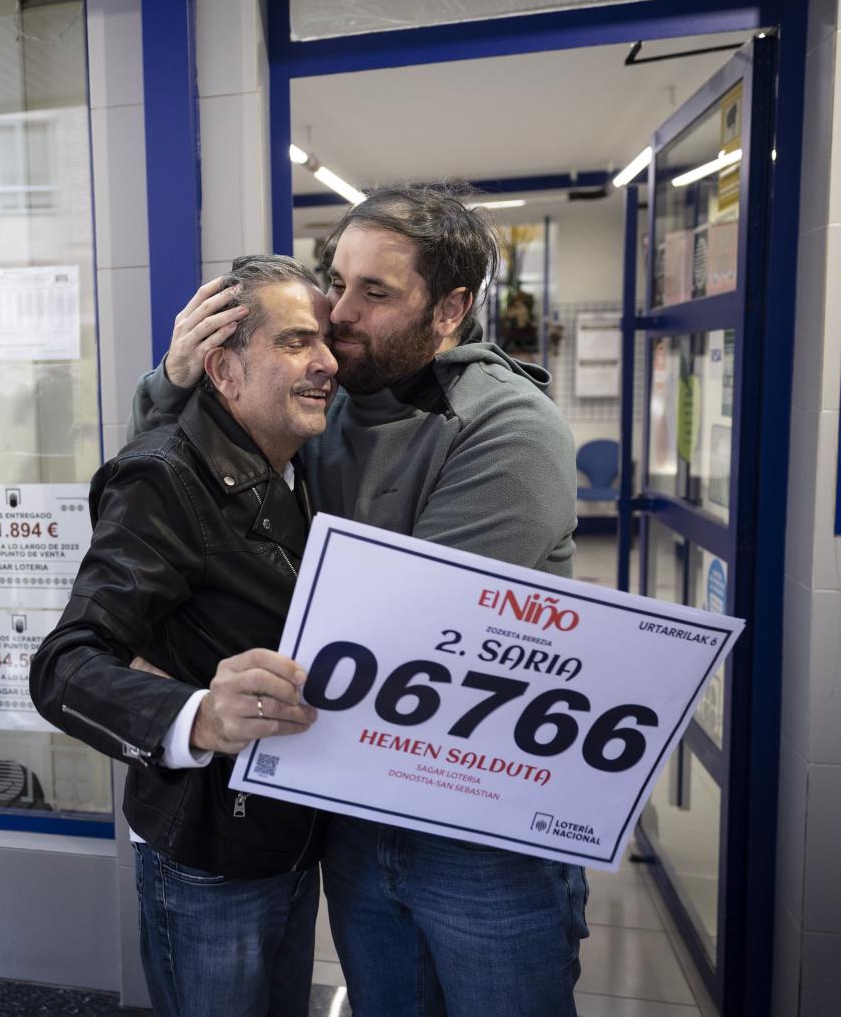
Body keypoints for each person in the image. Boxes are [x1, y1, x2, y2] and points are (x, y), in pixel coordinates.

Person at [132, 185, 585, 1016]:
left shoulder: (508, 427)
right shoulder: (331, 401)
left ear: (450, 309)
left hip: (476, 826)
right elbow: (179, 487)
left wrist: (194, 638)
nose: (339, 314)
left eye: (375, 294)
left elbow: (413, 630)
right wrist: (173, 385)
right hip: (352, 810)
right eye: (336, 281)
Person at [32, 255, 336, 1017]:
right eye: (297, 343)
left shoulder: (303, 466)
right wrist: (197, 714)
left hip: (291, 839)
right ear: (224, 372)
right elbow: (65, 665)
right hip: (208, 855)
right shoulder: (162, 479)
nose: (328, 362)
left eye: (325, 340)